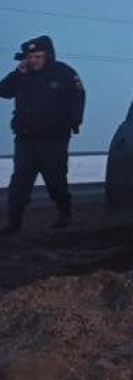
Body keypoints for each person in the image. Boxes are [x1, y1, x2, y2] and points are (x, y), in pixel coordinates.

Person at [0, 36, 85, 235]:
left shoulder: (64, 72)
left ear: (47, 56)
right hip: (26, 139)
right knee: (20, 181)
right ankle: (14, 223)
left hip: (54, 138)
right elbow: (3, 91)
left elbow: (78, 97)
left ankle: (65, 214)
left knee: (55, 180)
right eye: (30, 57)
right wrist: (17, 73)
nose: (34, 60)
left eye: (38, 56)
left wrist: (74, 121)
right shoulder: (22, 75)